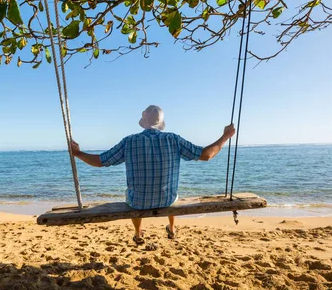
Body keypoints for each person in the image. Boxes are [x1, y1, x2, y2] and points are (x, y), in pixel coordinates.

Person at [70, 105, 236, 244]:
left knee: (131, 194)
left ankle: (138, 232)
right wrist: (225, 136)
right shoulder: (173, 139)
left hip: (138, 203)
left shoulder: (129, 141)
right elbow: (206, 155)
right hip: (167, 200)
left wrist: (77, 153)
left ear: (143, 123)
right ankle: (171, 228)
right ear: (161, 123)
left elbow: (100, 161)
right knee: (172, 192)